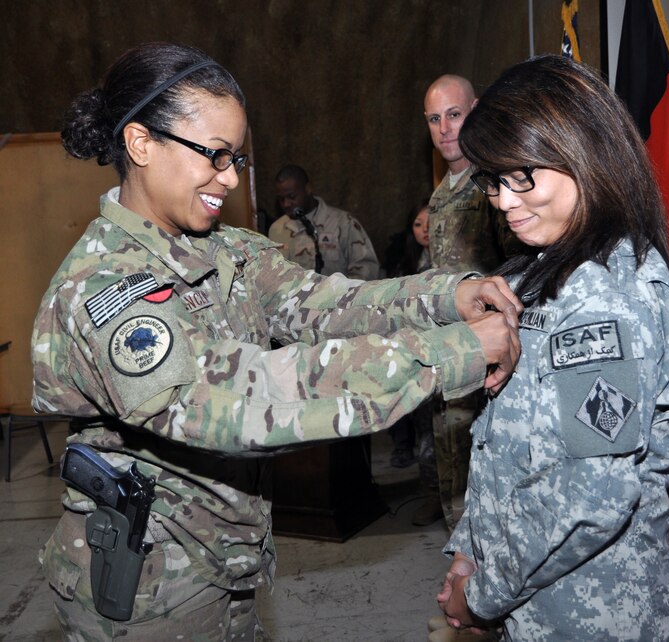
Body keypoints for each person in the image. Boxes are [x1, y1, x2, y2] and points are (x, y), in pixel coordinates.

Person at [31, 42, 523, 641]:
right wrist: (454, 352)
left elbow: (329, 304)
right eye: (214, 155)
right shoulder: (104, 288)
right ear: (140, 144)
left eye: (235, 157)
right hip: (152, 593)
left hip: (225, 561)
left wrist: (450, 298)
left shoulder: (225, 250)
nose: (230, 177)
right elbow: (238, 399)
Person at [433, 55, 669, 642]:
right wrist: (469, 551)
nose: (505, 202)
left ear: (582, 154)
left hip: (593, 615)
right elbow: (509, 450)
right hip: (533, 602)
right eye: (494, 180)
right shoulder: (546, 273)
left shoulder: (604, 303)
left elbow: (591, 496)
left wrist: (480, 595)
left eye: (522, 175)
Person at [418, 74, 514, 530]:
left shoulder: (493, 183)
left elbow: (518, 269)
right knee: (451, 451)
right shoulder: (443, 192)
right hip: (449, 349)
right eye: (434, 119)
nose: (444, 128)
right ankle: (459, 544)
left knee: (487, 460)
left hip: (489, 352)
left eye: (453, 115)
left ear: (475, 110)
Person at [384, 199, 433, 469]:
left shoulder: (454, 260)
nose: (424, 230)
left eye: (430, 223)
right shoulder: (404, 264)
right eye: (417, 224)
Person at [269, 164, 380, 279]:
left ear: (308, 189)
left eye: (292, 196)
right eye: (281, 199)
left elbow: (367, 269)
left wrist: (343, 294)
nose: (286, 204)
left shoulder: (343, 223)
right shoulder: (276, 230)